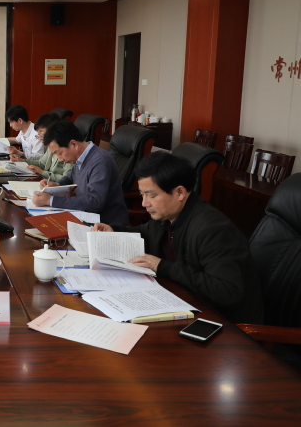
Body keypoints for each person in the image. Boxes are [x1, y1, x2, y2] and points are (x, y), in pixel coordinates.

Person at [92, 152, 263, 324]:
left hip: (223, 324)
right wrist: (114, 229)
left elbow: (227, 292)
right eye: (142, 195)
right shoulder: (166, 215)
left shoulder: (213, 229)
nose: (144, 203)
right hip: (182, 303)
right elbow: (144, 233)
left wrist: (163, 267)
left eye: (151, 196)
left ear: (180, 193)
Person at [30, 119, 128, 224]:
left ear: (74, 144)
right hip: (85, 218)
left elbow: (94, 202)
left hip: (106, 225)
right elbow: (71, 176)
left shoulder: (100, 160)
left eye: (60, 153)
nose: (60, 159)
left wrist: (50, 200)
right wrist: (56, 185)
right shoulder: (81, 157)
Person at [16, 112, 73, 181]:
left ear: (52, 130)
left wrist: (42, 172)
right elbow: (41, 163)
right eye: (38, 135)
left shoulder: (66, 149)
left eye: (41, 133)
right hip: (46, 182)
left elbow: (67, 179)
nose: (40, 138)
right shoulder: (50, 147)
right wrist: (23, 161)